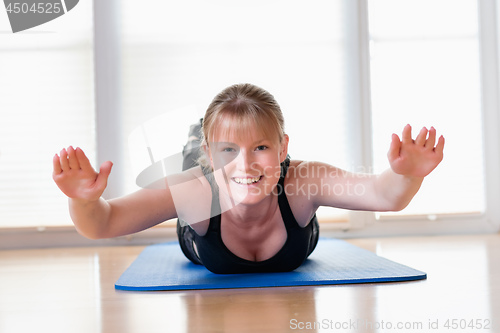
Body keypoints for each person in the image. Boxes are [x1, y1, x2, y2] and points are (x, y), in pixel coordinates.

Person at [52, 83, 445, 274]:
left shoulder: (303, 180)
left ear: (284, 146)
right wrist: (83, 200)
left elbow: (384, 194)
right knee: (202, 164)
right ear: (211, 156)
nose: (247, 165)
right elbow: (102, 223)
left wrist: (404, 174)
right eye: (228, 150)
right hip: (204, 193)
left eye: (261, 148)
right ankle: (198, 138)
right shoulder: (194, 189)